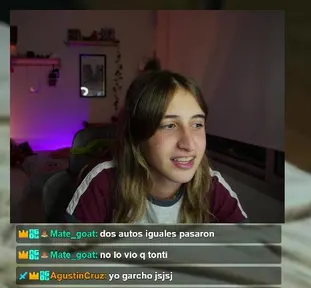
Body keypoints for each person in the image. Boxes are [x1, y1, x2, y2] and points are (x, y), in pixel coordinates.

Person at [66, 70, 247, 224]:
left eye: (197, 124)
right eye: (169, 126)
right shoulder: (104, 183)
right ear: (138, 135)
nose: (189, 144)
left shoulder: (212, 187)